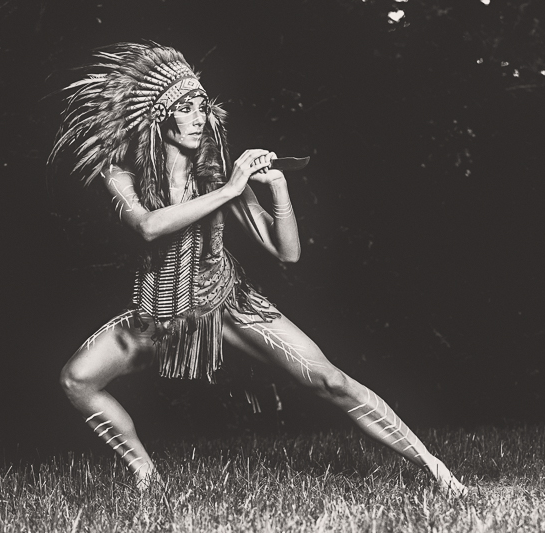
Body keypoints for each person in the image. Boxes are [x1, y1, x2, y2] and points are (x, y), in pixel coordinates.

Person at [53, 42, 467, 497]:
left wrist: (278, 188)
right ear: (159, 118)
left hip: (226, 303)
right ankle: (145, 474)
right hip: (160, 314)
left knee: (330, 380)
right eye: (186, 108)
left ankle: (438, 471)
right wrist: (232, 188)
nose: (199, 118)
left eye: (203, 108)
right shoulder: (122, 175)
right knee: (77, 380)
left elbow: (287, 253)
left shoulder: (214, 175)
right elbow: (149, 227)